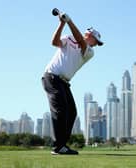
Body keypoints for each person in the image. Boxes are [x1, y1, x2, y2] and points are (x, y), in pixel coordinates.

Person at [42, 11, 103, 155]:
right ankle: (58, 147)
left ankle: (62, 145)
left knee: (72, 112)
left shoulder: (89, 52)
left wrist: (69, 21)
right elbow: (54, 42)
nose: (96, 45)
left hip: (63, 82)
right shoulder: (69, 38)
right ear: (89, 36)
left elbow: (80, 41)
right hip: (52, 77)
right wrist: (62, 24)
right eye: (96, 41)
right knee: (61, 110)